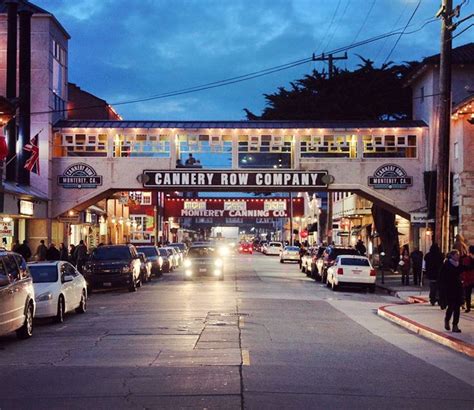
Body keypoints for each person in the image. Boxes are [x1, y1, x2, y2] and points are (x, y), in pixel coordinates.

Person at [439, 250, 464, 333]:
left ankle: (455, 325)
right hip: (449, 288)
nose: (458, 256)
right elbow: (441, 277)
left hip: (458, 288)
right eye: (457, 255)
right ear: (452, 256)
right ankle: (447, 320)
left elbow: (465, 268)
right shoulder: (446, 264)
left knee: (457, 308)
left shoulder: (459, 265)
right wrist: (442, 288)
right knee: (451, 306)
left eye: (458, 255)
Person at [461, 245, 474, 313]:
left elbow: (464, 269)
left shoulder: (466, 259)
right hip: (471, 277)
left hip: (468, 278)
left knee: (467, 294)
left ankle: (468, 307)